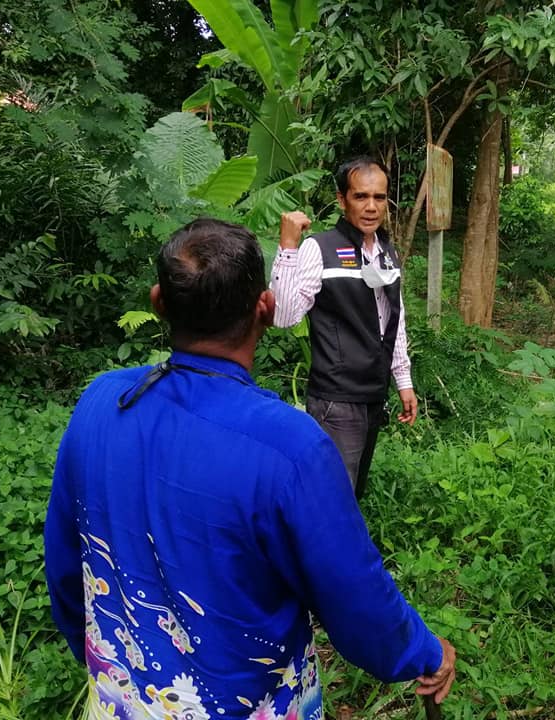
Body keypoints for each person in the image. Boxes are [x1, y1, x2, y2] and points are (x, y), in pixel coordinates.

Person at [44, 218, 455, 720]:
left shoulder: (102, 402)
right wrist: (423, 653)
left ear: (159, 303)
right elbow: (354, 596)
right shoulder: (290, 446)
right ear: (265, 307)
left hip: (121, 701)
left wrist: (109, 668)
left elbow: (67, 570)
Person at [270, 157, 415, 500]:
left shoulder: (386, 252)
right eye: (360, 196)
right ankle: (322, 554)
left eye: (379, 198)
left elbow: (394, 318)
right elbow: (284, 317)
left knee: (353, 492)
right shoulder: (318, 248)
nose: (371, 207)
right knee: (332, 496)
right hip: (336, 397)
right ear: (341, 199)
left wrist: (403, 380)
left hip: (372, 394)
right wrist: (288, 248)